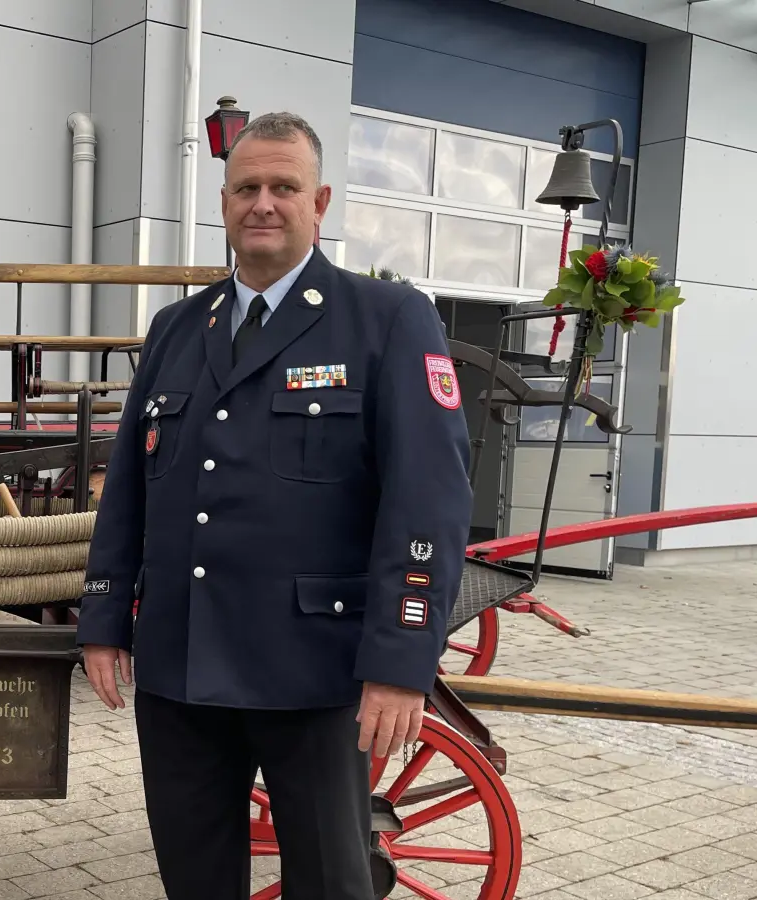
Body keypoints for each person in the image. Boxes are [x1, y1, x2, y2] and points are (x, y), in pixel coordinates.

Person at [75, 111, 473, 899]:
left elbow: (427, 502)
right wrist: (103, 618)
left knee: (329, 884)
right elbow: (128, 488)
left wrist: (400, 663)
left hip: (317, 677)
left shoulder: (388, 320)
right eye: (246, 187)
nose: (263, 203)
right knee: (194, 881)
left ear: (319, 201)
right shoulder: (177, 328)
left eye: (283, 187)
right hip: (181, 667)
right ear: (223, 202)